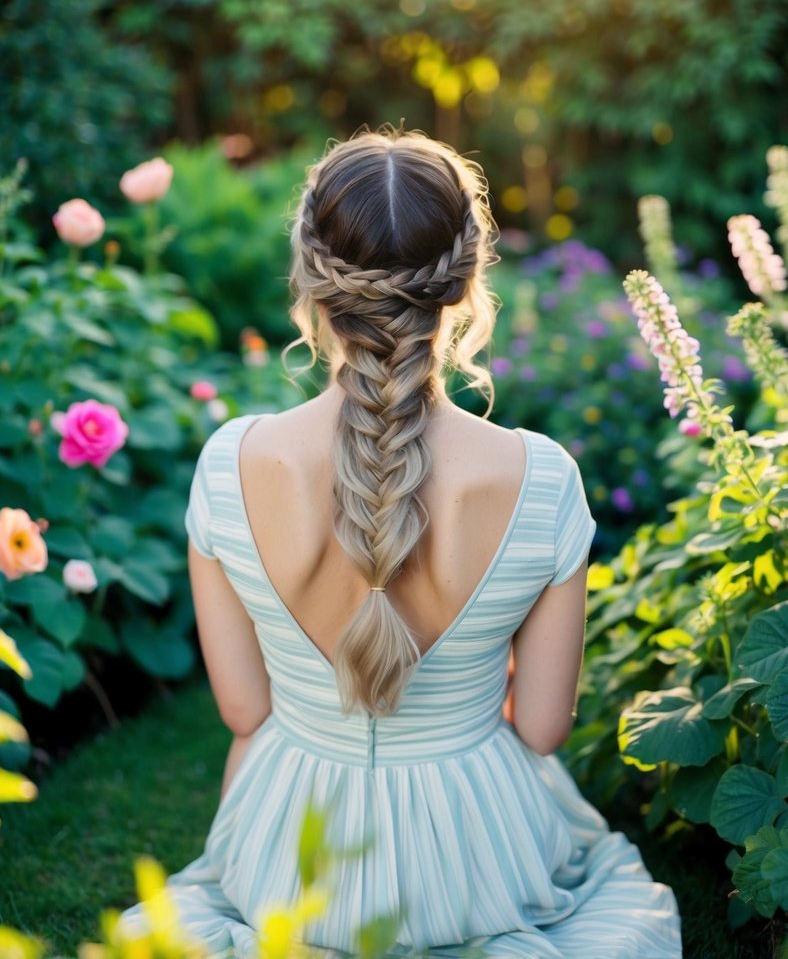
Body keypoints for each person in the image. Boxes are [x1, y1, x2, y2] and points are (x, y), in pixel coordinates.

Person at [118, 126, 682, 958]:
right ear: (465, 283)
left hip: (295, 863)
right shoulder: (541, 477)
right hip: (477, 860)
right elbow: (540, 730)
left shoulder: (231, 464)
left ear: (311, 283)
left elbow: (244, 712)